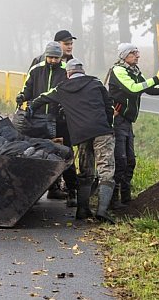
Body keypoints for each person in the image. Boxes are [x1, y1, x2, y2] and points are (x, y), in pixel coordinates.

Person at [29, 58, 117, 223]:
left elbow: (43, 97)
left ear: (68, 73)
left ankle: (82, 210)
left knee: (85, 172)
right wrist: (108, 123)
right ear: (82, 71)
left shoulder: (62, 88)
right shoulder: (96, 83)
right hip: (101, 132)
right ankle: (102, 211)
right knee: (106, 171)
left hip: (81, 135)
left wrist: (31, 107)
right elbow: (109, 105)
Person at [104, 43, 159, 209]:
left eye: (137, 53)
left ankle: (126, 197)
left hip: (127, 121)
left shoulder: (134, 70)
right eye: (134, 53)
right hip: (117, 121)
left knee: (130, 160)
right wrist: (156, 78)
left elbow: (145, 88)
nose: (138, 56)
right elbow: (133, 89)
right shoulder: (118, 71)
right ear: (124, 55)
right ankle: (113, 201)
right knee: (121, 160)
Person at [17, 42, 78, 205]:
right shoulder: (36, 70)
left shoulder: (66, 71)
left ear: (61, 58)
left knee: (65, 154)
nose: (53, 60)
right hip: (35, 120)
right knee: (32, 154)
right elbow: (27, 89)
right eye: (50, 57)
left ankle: (72, 192)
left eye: (56, 58)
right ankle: (30, 190)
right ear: (45, 55)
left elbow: (70, 93)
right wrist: (22, 97)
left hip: (59, 121)